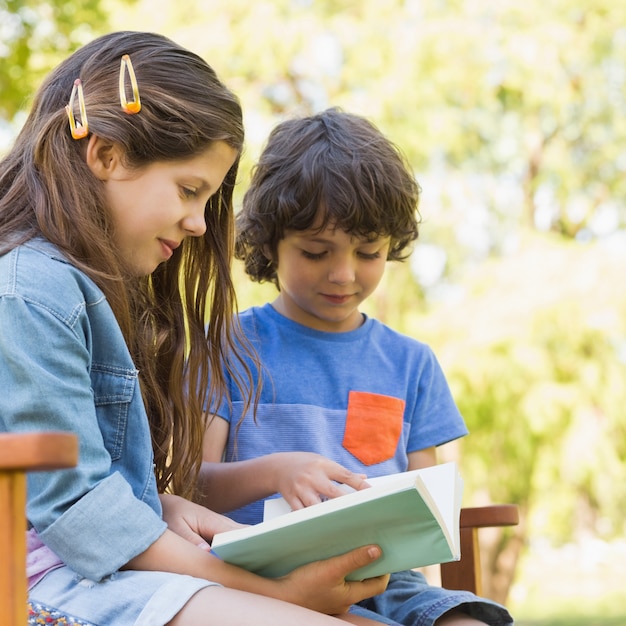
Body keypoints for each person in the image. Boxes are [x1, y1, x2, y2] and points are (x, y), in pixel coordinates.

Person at [0, 34, 392, 626]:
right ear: (105, 154)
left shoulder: (76, 288)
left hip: (89, 570)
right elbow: (75, 512)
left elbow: (65, 490)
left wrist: (159, 506)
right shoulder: (31, 290)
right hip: (45, 588)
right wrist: (274, 594)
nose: (197, 223)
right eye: (189, 191)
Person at [198, 109, 515, 626]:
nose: (343, 274)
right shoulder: (227, 346)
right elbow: (192, 485)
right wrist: (277, 472)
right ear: (270, 243)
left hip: (388, 579)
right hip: (263, 581)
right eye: (316, 251)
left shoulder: (411, 363)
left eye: (368, 252)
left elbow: (424, 505)